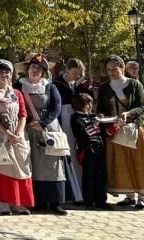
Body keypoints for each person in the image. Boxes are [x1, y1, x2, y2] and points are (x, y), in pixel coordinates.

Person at [98, 55, 144, 209]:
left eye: (114, 69)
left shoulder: (135, 85)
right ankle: (129, 196)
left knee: (139, 162)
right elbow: (101, 107)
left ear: (122, 68)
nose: (111, 73)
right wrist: (101, 116)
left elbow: (143, 106)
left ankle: (142, 197)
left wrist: (128, 114)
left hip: (134, 129)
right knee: (121, 163)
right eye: (108, 70)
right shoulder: (104, 88)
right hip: (114, 129)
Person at [18, 54, 68, 215]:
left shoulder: (50, 87)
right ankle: (36, 200)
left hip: (48, 128)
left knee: (53, 164)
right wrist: (30, 121)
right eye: (33, 67)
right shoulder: (19, 86)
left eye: (39, 69)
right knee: (31, 163)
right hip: (27, 128)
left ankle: (56, 202)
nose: (35, 70)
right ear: (27, 69)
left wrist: (42, 122)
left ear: (44, 73)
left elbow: (56, 107)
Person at [0, 60, 33, 215]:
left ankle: (18, 203)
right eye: (0, 72)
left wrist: (17, 133)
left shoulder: (17, 93)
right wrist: (7, 133)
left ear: (11, 74)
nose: (4, 75)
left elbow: (23, 114)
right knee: (3, 167)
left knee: (21, 167)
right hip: (0, 134)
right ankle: (3, 202)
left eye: (7, 72)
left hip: (18, 135)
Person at [54, 57, 89, 204]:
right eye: (74, 72)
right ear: (67, 70)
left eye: (79, 73)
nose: (76, 76)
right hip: (64, 119)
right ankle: (69, 191)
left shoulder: (80, 85)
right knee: (67, 152)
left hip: (78, 119)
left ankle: (80, 190)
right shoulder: (56, 84)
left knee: (77, 152)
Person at [70, 92, 109, 209]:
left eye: (90, 103)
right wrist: (95, 124)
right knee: (89, 176)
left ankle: (101, 200)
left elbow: (103, 133)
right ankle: (89, 201)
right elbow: (83, 135)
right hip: (87, 150)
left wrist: (110, 125)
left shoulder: (93, 116)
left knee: (101, 175)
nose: (90, 106)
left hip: (99, 148)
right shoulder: (76, 119)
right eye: (87, 104)